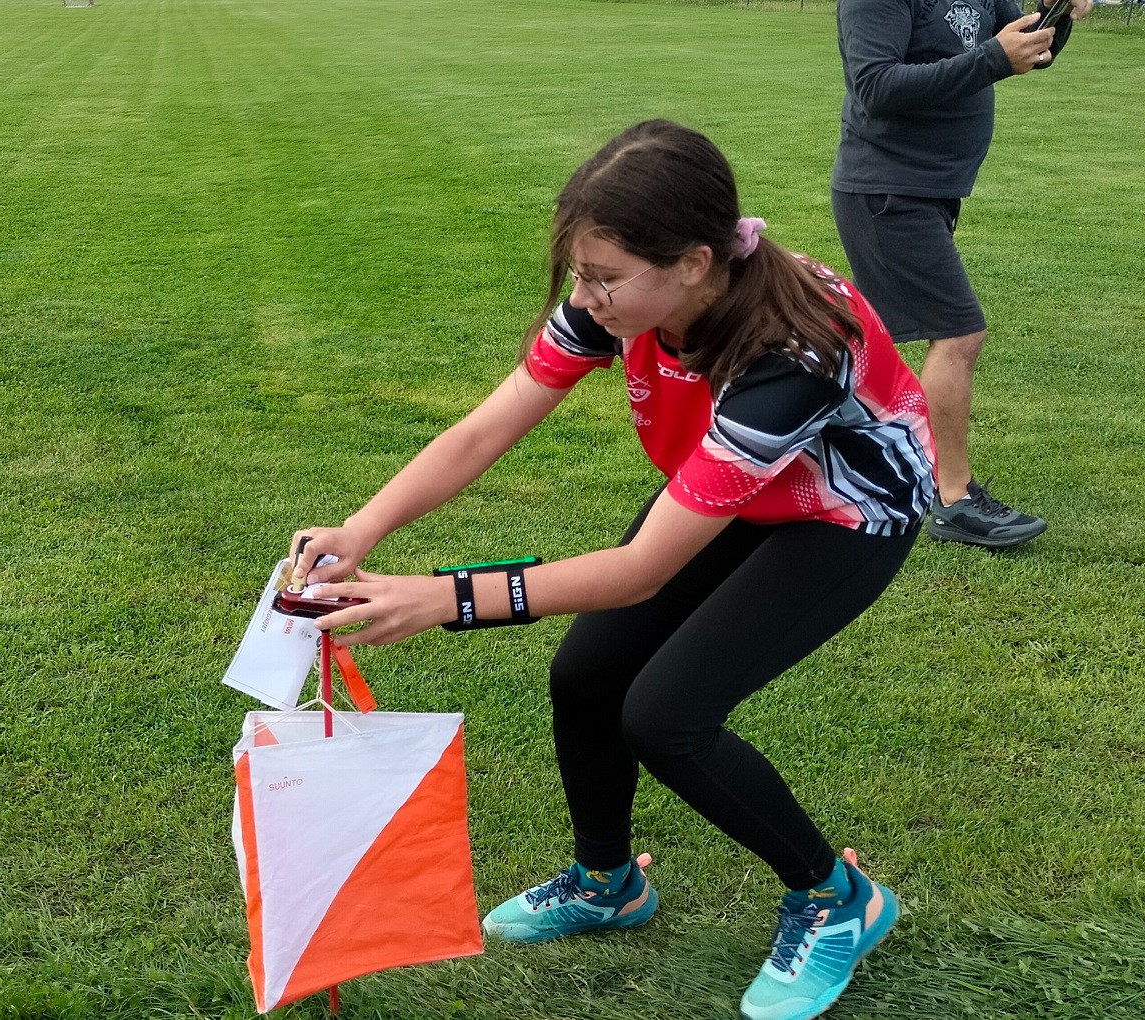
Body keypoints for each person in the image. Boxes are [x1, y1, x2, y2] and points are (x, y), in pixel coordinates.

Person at [289, 120, 936, 1020]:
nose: (585, 298)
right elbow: (487, 427)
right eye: (579, 274)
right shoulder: (619, 300)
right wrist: (363, 527)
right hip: (741, 490)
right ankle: (608, 883)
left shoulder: (796, 351)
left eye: (604, 277)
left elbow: (639, 571)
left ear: (696, 263)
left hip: (846, 517)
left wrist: (449, 599)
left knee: (667, 717)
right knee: (586, 675)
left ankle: (837, 897)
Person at [831, 0, 1092, 549]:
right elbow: (875, 85)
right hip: (888, 188)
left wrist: (1055, 13)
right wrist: (994, 57)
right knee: (958, 333)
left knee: (862, 335)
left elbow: (1025, 47)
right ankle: (952, 499)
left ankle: (823, 444)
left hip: (931, 187)